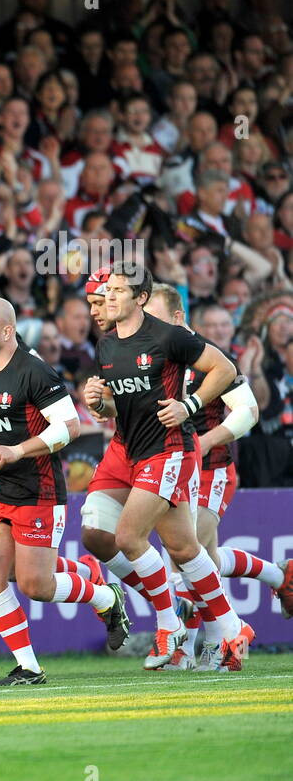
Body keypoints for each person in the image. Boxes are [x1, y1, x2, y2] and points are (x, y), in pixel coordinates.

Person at [0, 298, 130, 685]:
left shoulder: (35, 371)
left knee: (36, 586)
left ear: (7, 331)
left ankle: (106, 598)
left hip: (38, 493)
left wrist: (17, 450)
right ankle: (28, 665)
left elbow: (70, 426)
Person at [82, 261, 254, 671]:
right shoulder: (107, 345)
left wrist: (189, 404)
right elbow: (117, 407)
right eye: (109, 290)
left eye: (120, 290)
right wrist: (98, 404)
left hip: (168, 450)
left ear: (140, 298)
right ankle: (233, 628)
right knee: (177, 546)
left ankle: (168, 624)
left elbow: (225, 369)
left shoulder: (168, 336)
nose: (110, 297)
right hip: (127, 450)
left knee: (129, 536)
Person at [143, 284, 293, 663]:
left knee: (186, 555)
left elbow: (248, 412)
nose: (149, 328)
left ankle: (210, 645)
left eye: (155, 320)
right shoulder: (149, 357)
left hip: (211, 470)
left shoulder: (206, 358)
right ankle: (278, 578)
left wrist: (205, 441)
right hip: (169, 470)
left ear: (178, 319)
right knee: (195, 557)